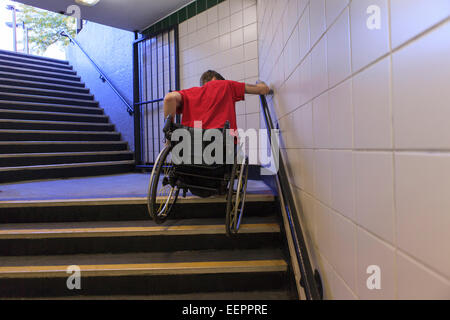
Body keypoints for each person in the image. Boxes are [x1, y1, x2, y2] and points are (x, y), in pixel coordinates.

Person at [163, 70, 271, 131]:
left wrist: (168, 139)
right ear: (216, 79)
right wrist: (260, 83)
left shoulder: (189, 93)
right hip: (222, 149)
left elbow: (169, 98)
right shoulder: (227, 85)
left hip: (190, 150)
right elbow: (263, 90)